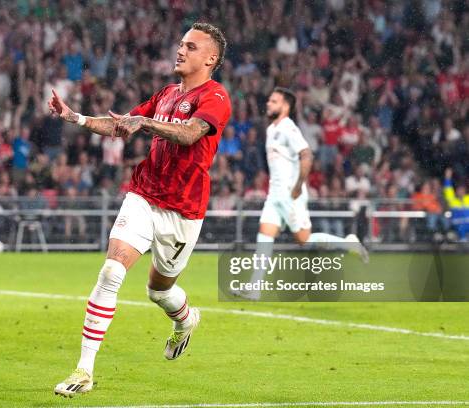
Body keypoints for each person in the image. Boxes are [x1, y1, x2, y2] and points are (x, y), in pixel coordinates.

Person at [48, 22, 231, 396]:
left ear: (211, 58)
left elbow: (192, 133)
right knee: (112, 270)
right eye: (181, 44)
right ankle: (84, 371)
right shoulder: (164, 94)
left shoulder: (215, 97)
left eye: (191, 47)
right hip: (145, 194)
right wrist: (77, 118)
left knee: (158, 290)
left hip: (183, 210)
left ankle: (185, 320)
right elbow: (121, 127)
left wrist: (144, 122)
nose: (181, 51)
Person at [235, 87, 368, 301]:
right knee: (265, 235)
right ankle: (254, 288)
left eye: (274, 101)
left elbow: (306, 155)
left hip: (290, 192)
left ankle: (348, 243)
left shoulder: (289, 128)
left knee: (303, 239)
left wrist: (298, 185)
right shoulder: (271, 129)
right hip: (275, 193)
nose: (268, 103)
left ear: (285, 106)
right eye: (269, 100)